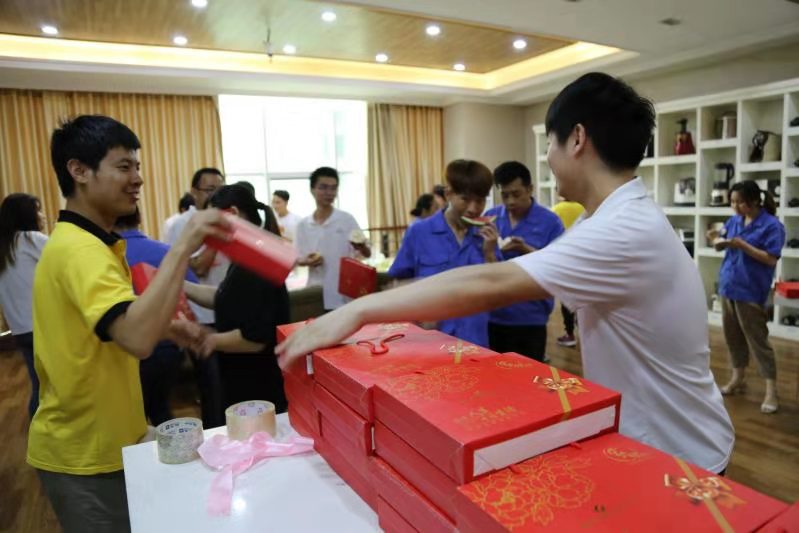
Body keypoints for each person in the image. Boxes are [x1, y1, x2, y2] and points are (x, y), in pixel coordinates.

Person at [278, 73, 735, 475]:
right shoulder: (608, 219)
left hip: (678, 452)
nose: (549, 156)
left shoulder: (623, 228)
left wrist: (358, 311)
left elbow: (490, 282)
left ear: (577, 139)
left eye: (550, 143)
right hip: (651, 440)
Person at [29, 114, 227, 533]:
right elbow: (136, 339)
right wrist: (184, 246)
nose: (137, 178)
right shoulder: (82, 250)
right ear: (79, 171)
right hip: (85, 453)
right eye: (123, 166)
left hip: (112, 437)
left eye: (137, 166)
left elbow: (107, 324)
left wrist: (168, 326)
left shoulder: (88, 243)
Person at [184, 184, 289, 412]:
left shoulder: (259, 260)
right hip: (244, 376)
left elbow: (255, 338)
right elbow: (225, 298)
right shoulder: (246, 256)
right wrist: (180, 286)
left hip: (257, 384)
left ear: (231, 214)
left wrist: (207, 339)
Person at [388, 159, 496, 347]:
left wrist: (490, 254)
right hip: (429, 340)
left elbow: (497, 289)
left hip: (475, 340)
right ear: (448, 194)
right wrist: (420, 306)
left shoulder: (487, 235)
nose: (473, 209)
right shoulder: (419, 232)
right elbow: (396, 283)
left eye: (480, 201)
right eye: (465, 199)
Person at [115, 208, 199, 426]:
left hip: (128, 349)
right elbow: (192, 291)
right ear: (139, 219)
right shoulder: (166, 252)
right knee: (160, 406)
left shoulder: (108, 257)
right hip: (169, 346)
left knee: (135, 414)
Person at [709, 180, 785, 413]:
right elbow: (721, 242)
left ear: (753, 201)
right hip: (728, 286)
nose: (735, 207)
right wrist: (715, 239)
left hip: (750, 289)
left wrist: (743, 246)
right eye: (732, 202)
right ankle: (737, 377)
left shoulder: (772, 226)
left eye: (739, 202)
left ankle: (771, 390)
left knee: (758, 341)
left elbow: (770, 259)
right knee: (733, 337)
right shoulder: (734, 221)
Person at [164, 167, 227, 428]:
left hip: (226, 310)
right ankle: (213, 434)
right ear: (194, 192)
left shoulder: (228, 221)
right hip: (198, 316)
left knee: (228, 384)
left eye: (220, 189)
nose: (216, 195)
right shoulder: (180, 225)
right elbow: (190, 267)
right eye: (210, 189)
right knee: (211, 385)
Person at [485, 161, 564, 360]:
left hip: (531, 316)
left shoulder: (550, 221)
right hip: (493, 315)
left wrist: (525, 249)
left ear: (530, 189)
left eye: (516, 194)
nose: (510, 201)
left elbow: (558, 266)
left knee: (529, 374)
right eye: (505, 195)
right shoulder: (490, 218)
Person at [295, 167, 371, 312]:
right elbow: (298, 258)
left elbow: (367, 253)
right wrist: (307, 261)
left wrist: (361, 246)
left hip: (343, 292)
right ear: (312, 190)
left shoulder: (346, 219)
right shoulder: (303, 225)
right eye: (323, 187)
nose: (329, 193)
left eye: (333, 188)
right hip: (316, 290)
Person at [0, 193, 47, 418]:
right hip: (43, 326)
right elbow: (65, 263)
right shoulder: (31, 239)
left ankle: (37, 431)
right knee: (58, 384)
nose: (42, 215)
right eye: (37, 210)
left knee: (38, 385)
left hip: (20, 329)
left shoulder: (4, 247)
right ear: (26, 215)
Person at [552, 196, 585, 347]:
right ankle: (584, 333)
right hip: (583, 257)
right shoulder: (582, 208)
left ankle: (570, 334)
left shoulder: (556, 210)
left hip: (565, 258)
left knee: (566, 299)